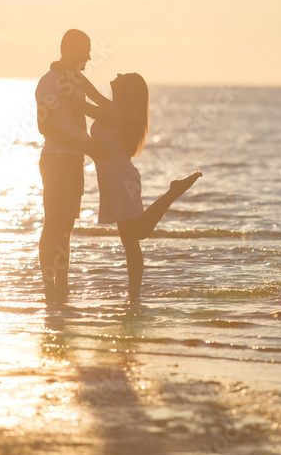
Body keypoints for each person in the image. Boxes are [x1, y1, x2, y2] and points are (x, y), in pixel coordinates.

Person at [69, 70, 201, 303]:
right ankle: (134, 297)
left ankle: (135, 298)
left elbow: (81, 106)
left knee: (135, 237)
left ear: (126, 90)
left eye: (123, 76)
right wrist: (75, 75)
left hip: (120, 180)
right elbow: (94, 96)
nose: (117, 73)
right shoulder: (114, 110)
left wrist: (64, 85)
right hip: (116, 179)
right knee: (132, 240)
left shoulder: (114, 115)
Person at [35, 30, 111, 305]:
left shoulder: (77, 80)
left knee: (66, 227)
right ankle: (48, 288)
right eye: (84, 51)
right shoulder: (50, 82)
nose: (89, 57)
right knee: (53, 224)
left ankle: (62, 287)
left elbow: (100, 104)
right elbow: (45, 126)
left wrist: (128, 109)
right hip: (56, 160)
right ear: (67, 49)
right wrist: (88, 148)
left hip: (75, 160)